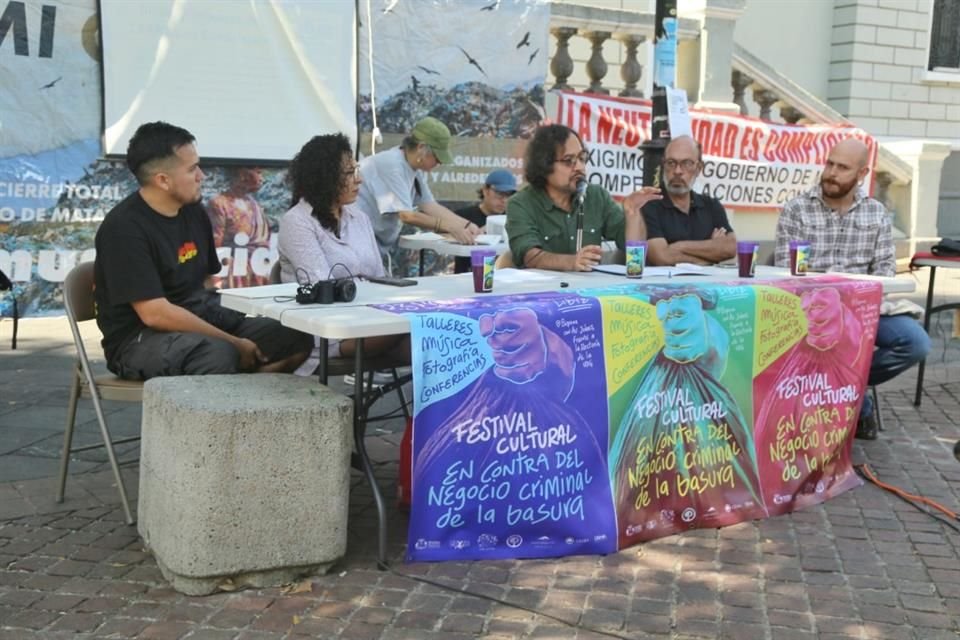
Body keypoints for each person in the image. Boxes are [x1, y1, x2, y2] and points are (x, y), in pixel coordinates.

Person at [93, 122, 311, 380]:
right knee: (218, 354)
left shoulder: (194, 211)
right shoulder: (124, 229)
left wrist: (231, 325)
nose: (202, 176)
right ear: (162, 180)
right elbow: (154, 314)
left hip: (196, 318)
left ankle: (247, 404)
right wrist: (234, 341)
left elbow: (207, 282)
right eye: (192, 169)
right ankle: (228, 409)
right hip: (138, 339)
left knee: (294, 335)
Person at [774, 137, 931, 440]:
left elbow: (884, 271)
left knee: (916, 343)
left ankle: (850, 392)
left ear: (861, 174)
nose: (831, 172)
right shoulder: (796, 209)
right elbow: (787, 270)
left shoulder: (876, 213)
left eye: (842, 167)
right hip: (814, 309)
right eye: (830, 163)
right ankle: (856, 400)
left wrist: (856, 304)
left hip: (866, 308)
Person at [278, 133, 409, 368]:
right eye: (349, 173)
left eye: (356, 170)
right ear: (325, 178)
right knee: (421, 329)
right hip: (331, 333)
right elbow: (323, 288)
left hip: (371, 319)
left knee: (433, 336)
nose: (359, 180)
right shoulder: (297, 221)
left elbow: (380, 278)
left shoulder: (359, 218)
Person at [505, 124, 661, 272]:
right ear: (544, 165)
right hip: (542, 292)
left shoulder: (595, 196)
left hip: (590, 291)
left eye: (581, 158)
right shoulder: (521, 204)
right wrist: (572, 262)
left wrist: (632, 213)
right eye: (568, 161)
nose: (579, 167)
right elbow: (530, 257)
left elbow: (633, 253)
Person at [356, 117, 480, 259]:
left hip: (371, 244)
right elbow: (407, 215)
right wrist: (450, 227)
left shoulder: (412, 168)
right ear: (421, 148)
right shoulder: (392, 164)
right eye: (437, 157)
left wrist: (466, 225)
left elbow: (430, 206)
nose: (439, 162)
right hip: (356, 242)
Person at [642, 135, 737, 266]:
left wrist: (679, 247)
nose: (677, 171)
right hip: (665, 285)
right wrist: (710, 252)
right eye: (671, 163)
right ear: (663, 165)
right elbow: (662, 257)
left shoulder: (711, 206)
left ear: (698, 168)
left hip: (706, 285)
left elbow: (730, 247)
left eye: (686, 163)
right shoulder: (650, 204)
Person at [206, 167, 272, 287]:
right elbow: (216, 244)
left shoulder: (254, 205)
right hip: (233, 272)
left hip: (257, 269)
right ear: (242, 174)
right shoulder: (220, 203)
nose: (262, 179)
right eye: (258, 173)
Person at [452, 169, 518, 273]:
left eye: (509, 195)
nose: (504, 200)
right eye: (500, 194)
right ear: (485, 190)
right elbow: (441, 237)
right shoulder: (463, 217)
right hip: (467, 276)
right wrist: (475, 234)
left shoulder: (515, 218)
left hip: (504, 278)